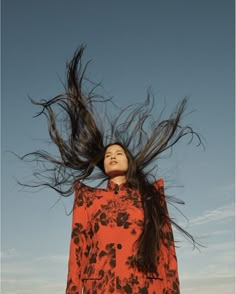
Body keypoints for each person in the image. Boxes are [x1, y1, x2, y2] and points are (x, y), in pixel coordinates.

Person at [20, 45, 202, 294]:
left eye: (119, 154)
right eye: (108, 155)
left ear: (130, 162)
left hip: (146, 286)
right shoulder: (88, 199)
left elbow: (166, 248)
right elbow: (78, 251)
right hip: (102, 287)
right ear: (103, 165)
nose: (113, 157)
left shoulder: (150, 196)